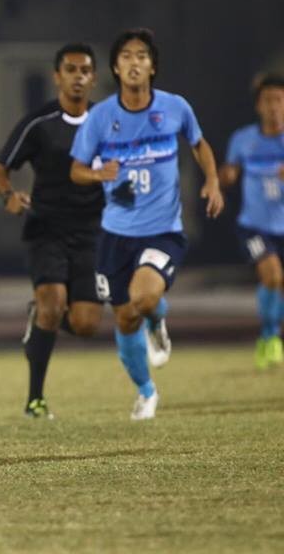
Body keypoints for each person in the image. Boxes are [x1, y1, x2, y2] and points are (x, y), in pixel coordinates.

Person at [69, 28, 223, 420]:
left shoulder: (174, 108)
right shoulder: (101, 117)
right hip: (116, 234)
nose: (134, 62)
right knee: (124, 316)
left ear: (152, 66)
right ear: (116, 68)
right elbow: (76, 170)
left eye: (141, 56)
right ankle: (146, 391)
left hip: (163, 229)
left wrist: (212, 180)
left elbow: (199, 143)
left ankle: (157, 317)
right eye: (126, 56)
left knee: (145, 297)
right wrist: (98, 175)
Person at [0, 43, 103, 419]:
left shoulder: (106, 123)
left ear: (93, 78)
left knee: (86, 325)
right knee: (53, 306)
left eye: (85, 70)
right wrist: (8, 195)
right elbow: (0, 167)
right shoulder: (40, 123)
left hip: (92, 233)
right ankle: (35, 400)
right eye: (70, 69)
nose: (78, 77)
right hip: (47, 228)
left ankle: (40, 319)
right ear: (58, 76)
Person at [218, 73, 284, 369]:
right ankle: (270, 337)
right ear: (258, 105)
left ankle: (269, 333)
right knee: (271, 275)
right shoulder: (243, 139)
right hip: (254, 225)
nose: (273, 107)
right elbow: (226, 174)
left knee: (277, 283)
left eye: (279, 100)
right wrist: (227, 176)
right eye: (268, 100)